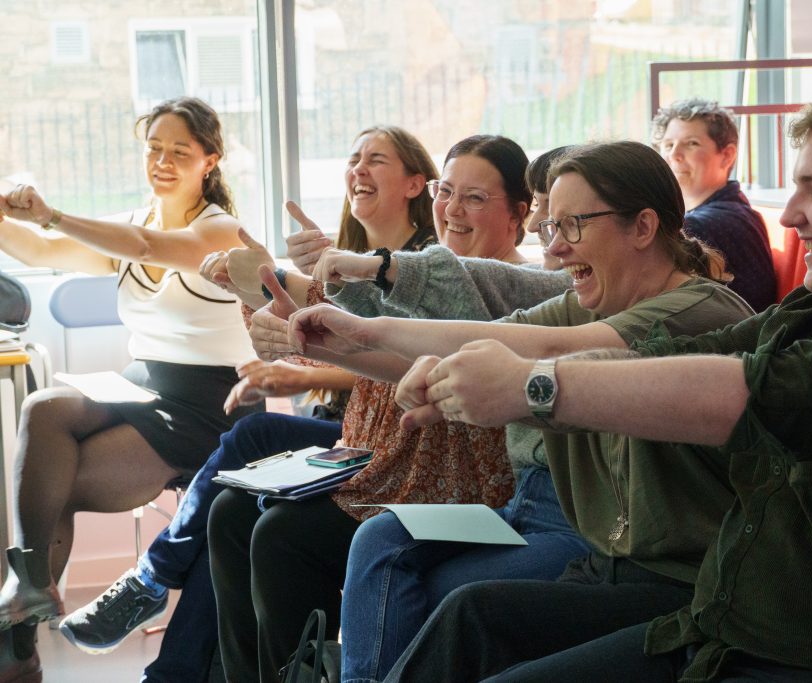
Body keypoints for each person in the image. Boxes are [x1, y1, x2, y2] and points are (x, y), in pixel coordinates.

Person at [387, 77, 812, 682]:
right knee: (472, 624)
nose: (792, 213)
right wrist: (461, 375)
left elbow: (770, 393)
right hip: (732, 630)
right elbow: (669, 358)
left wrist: (534, 387)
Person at [270, 140, 753, 683]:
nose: (558, 248)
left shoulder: (696, 308)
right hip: (607, 560)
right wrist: (344, 339)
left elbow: (549, 352)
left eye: (572, 226)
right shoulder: (594, 296)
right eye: (551, 228)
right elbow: (494, 337)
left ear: (643, 228)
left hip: (683, 582)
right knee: (436, 587)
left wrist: (367, 330)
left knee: (466, 608)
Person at [54, 125, 440, 682]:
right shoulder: (342, 255)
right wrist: (259, 288)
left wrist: (288, 354)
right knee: (232, 508)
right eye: (352, 157)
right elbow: (314, 347)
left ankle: (155, 590)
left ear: (414, 184)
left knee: (251, 440)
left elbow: (391, 363)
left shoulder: (426, 265)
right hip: (342, 424)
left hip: (388, 439)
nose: (357, 168)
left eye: (374, 160)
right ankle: (179, 662)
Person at [207, 134, 556, 683]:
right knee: (230, 511)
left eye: (475, 199)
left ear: (520, 213)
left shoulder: (530, 290)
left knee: (281, 536)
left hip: (457, 484)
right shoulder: (415, 270)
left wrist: (309, 330)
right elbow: (363, 330)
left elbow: (404, 336)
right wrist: (271, 299)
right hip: (385, 467)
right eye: (448, 193)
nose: (453, 210)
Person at [0, 97, 259, 679]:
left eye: (179, 152)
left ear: (209, 161)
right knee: (43, 410)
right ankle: (26, 590)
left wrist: (51, 214)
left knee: (51, 485)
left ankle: (17, 648)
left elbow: (146, 251)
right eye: (154, 149)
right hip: (143, 383)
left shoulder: (217, 226)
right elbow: (41, 250)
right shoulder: (134, 220)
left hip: (211, 403)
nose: (162, 161)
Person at [332, 146, 591, 683]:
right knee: (373, 536)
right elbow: (478, 331)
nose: (556, 239)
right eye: (445, 192)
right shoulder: (566, 291)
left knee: (446, 590)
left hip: (573, 520)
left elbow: (479, 315)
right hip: (523, 503)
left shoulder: (590, 295)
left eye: (571, 223)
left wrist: (376, 274)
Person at [653, 98, 776, 311]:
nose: (674, 155)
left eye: (691, 143)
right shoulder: (734, 209)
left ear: (727, 156)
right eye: (668, 145)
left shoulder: (711, 224)